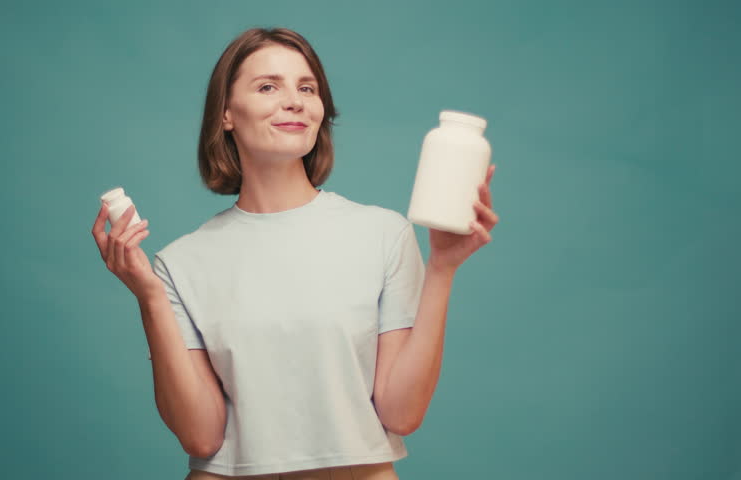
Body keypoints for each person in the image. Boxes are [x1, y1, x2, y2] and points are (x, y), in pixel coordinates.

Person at [92, 27, 499, 480]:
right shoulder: (180, 264)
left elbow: (402, 414)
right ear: (226, 114)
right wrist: (149, 298)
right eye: (268, 86)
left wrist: (442, 268)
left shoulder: (383, 234)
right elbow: (201, 437)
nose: (295, 100)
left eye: (307, 88)